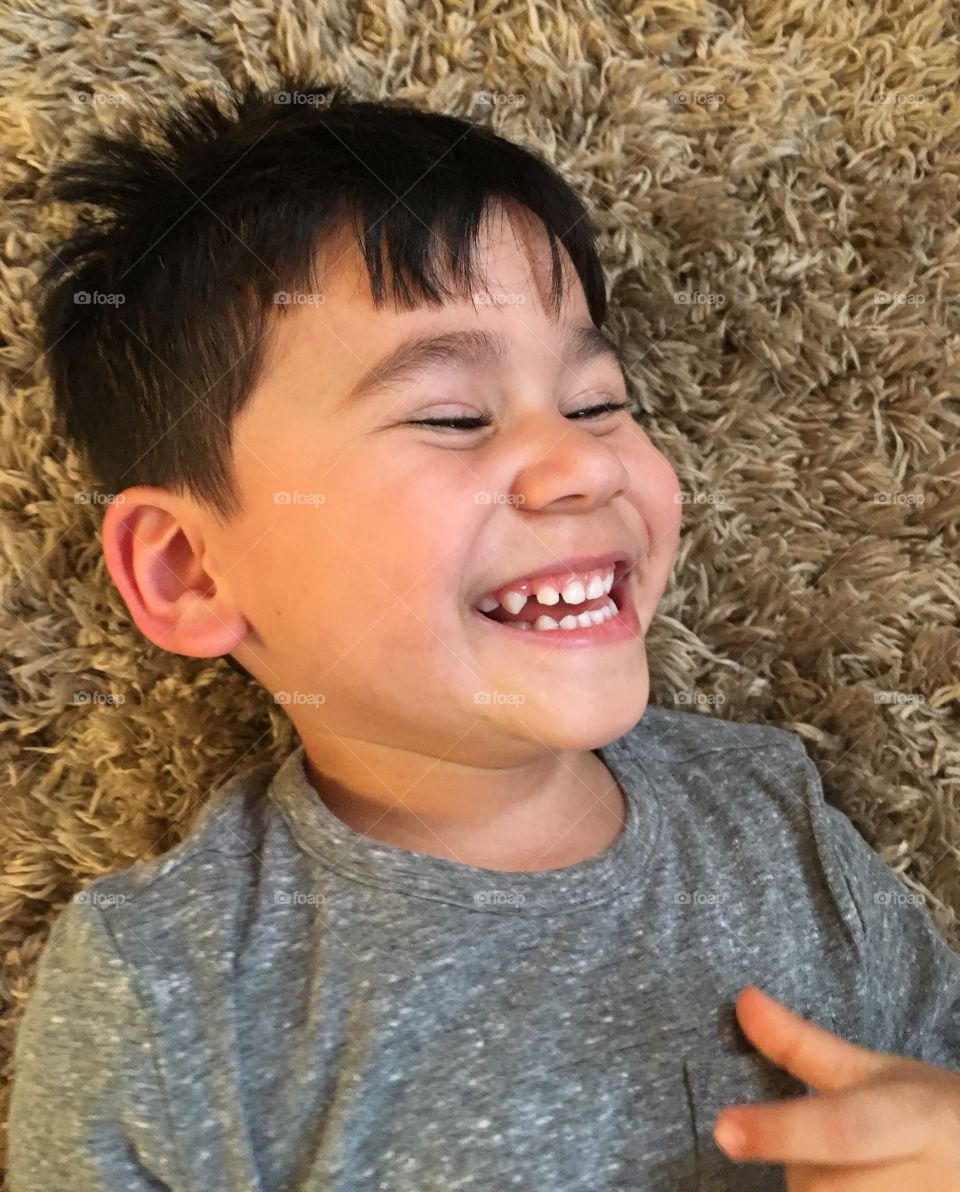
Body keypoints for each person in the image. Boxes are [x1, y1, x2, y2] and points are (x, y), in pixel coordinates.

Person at [8, 73, 960, 1191]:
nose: (587, 461)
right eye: (454, 417)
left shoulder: (773, 812)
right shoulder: (167, 983)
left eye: (599, 401)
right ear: (189, 569)